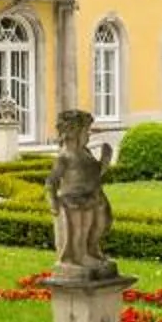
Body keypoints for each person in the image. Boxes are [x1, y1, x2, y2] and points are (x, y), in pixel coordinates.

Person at [48, 107, 115, 276]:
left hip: (93, 197)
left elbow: (93, 174)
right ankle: (78, 257)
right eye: (87, 131)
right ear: (74, 133)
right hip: (74, 201)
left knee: (100, 225)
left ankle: (92, 251)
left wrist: (104, 161)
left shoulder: (86, 153)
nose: (89, 134)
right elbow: (51, 182)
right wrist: (53, 202)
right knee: (80, 231)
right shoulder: (65, 157)